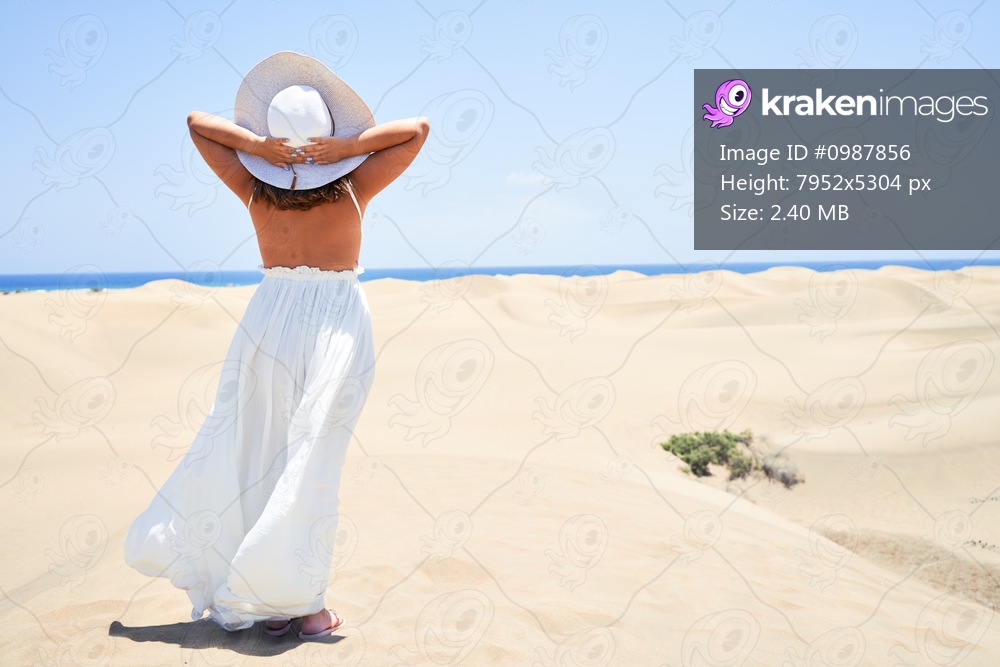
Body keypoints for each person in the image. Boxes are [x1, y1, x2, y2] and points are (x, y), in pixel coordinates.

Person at [123, 51, 429, 641]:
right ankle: (300, 603)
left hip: (267, 320)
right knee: (311, 461)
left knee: (256, 452)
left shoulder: (252, 189)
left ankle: (272, 595)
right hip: (334, 322)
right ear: (328, 136)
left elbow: (195, 122)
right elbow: (416, 130)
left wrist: (260, 150)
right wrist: (345, 148)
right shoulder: (354, 187)